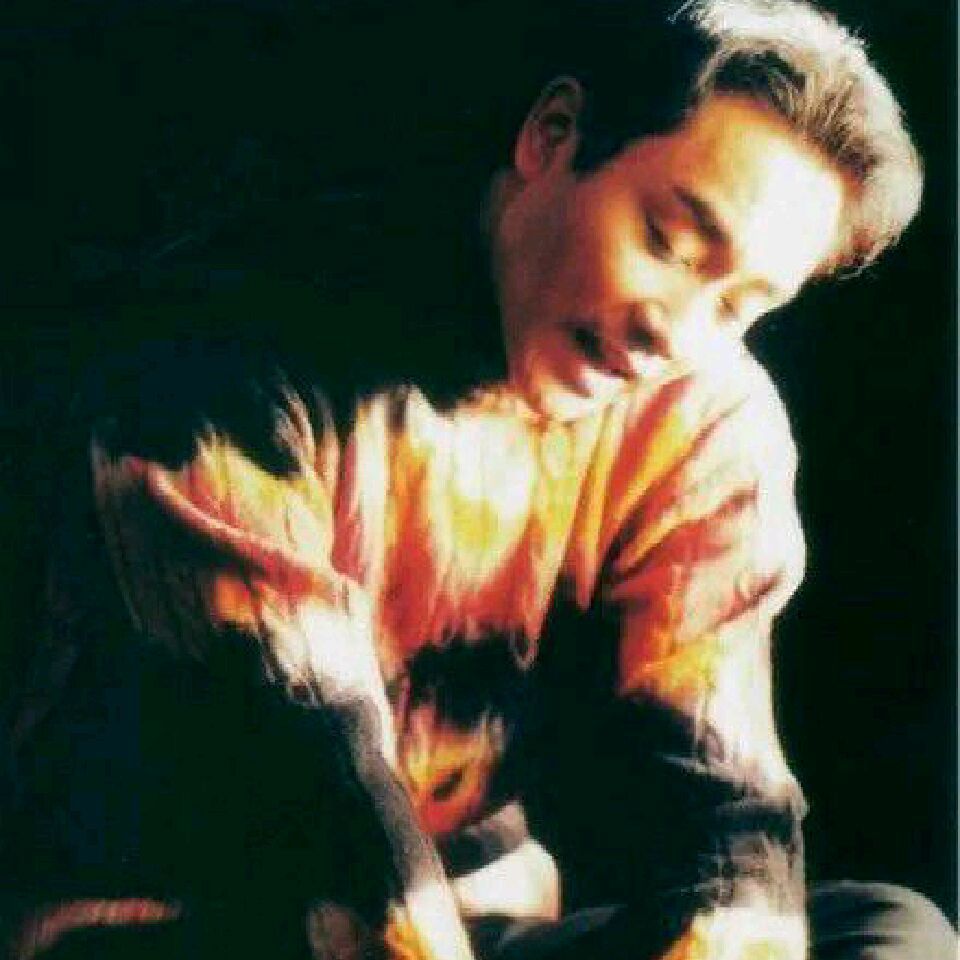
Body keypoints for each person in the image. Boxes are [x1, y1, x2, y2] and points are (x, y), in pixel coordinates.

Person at [2, 1, 953, 958]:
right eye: (669, 242)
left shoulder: (706, 415)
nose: (677, 330)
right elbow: (314, 786)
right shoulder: (223, 352)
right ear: (552, 137)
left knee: (889, 933)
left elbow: (724, 807)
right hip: (191, 913)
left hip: (465, 917)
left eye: (741, 304)